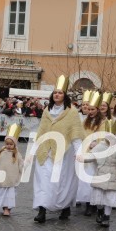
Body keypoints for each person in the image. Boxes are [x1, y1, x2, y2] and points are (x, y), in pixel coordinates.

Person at [31, 75, 85, 223]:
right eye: (55, 92)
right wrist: (32, 152)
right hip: (45, 152)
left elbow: (75, 134)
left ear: (65, 95)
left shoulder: (72, 112)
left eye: (60, 92)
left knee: (61, 182)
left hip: (64, 154)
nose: (57, 94)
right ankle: (42, 209)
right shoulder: (47, 111)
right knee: (43, 181)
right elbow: (41, 132)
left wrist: (79, 152)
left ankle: (65, 206)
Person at [88, 121, 116, 228]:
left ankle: (106, 216)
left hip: (113, 177)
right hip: (100, 175)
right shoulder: (100, 146)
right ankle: (100, 211)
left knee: (109, 198)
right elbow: (91, 156)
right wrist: (82, 158)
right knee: (99, 197)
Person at [0, 124, 24, 217]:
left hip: (11, 178)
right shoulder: (1, 152)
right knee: (1, 193)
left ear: (14, 144)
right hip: (1, 177)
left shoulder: (17, 154)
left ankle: (8, 208)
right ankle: (4, 207)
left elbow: (21, 164)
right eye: (7, 144)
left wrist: (24, 168)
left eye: (11, 144)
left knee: (10, 195)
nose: (9, 146)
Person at [77, 92, 104, 216]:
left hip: (97, 154)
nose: (90, 111)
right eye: (89, 109)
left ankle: (94, 204)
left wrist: (96, 144)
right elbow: (81, 135)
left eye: (93, 109)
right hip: (86, 152)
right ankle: (87, 203)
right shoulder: (85, 121)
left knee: (94, 179)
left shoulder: (103, 122)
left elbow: (104, 137)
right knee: (85, 180)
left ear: (98, 110)